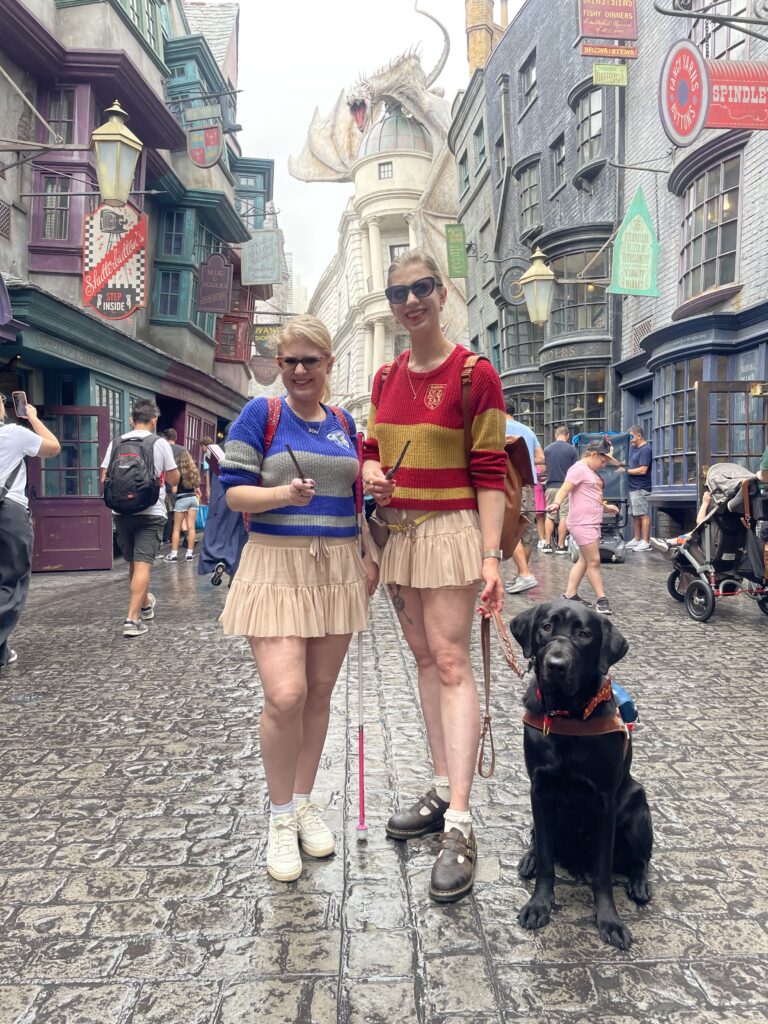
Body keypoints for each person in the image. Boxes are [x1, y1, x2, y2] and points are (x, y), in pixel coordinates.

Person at [362, 249, 506, 904]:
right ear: (389, 305)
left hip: (450, 531)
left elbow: (491, 473)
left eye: (422, 288)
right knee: (424, 659)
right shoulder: (385, 375)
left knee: (451, 662)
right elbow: (371, 449)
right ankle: (445, 788)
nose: (411, 301)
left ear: (442, 293)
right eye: (399, 293)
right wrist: (368, 471)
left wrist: (491, 556)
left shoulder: (475, 373)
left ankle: (462, 822)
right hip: (399, 535)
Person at [219, 314, 378, 884]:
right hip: (275, 564)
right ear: (279, 365)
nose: (301, 370)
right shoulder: (261, 414)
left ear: (329, 363)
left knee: (317, 695)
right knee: (285, 694)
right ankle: (280, 815)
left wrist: (368, 551)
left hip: (337, 566)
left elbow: (354, 497)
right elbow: (233, 493)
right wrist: (283, 492)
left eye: (312, 360)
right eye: (290, 361)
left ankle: (306, 800)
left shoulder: (343, 422)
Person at [100, 400, 178, 637]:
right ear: (154, 420)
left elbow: (105, 476)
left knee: (134, 565)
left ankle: (144, 605)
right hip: (151, 512)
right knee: (143, 565)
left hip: (122, 512)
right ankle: (131, 620)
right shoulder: (159, 443)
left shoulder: (116, 442)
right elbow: (174, 479)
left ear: (132, 419)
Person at [0, 394, 60, 669]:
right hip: (8, 512)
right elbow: (53, 447)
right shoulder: (12, 433)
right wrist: (33, 417)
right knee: (11, 581)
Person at [548, 437, 621, 615]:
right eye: (603, 461)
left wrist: (605, 507)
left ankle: (570, 595)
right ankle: (602, 600)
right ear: (593, 454)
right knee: (594, 560)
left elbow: (590, 495)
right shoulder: (578, 470)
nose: (604, 465)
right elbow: (564, 490)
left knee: (584, 559)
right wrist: (557, 504)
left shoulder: (589, 471)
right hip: (582, 522)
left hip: (590, 521)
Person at [504, 401, 545, 595]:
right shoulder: (528, 430)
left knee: (510, 529)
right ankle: (522, 576)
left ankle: (525, 573)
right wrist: (526, 457)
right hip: (530, 483)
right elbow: (541, 457)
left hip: (511, 483)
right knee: (526, 530)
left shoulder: (497, 427)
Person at [542, 425, 578, 554]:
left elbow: (544, 468)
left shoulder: (547, 449)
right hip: (565, 488)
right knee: (564, 516)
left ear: (555, 435)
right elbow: (576, 471)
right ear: (568, 436)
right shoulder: (572, 450)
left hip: (551, 486)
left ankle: (547, 544)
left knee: (550, 515)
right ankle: (561, 545)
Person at [165, 449, 201, 562]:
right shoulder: (193, 471)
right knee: (191, 528)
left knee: (176, 528)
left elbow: (175, 490)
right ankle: (189, 554)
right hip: (193, 498)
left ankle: (174, 555)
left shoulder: (178, 472)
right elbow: (196, 486)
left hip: (181, 499)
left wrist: (170, 485)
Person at [625, 425, 653, 552]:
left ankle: (645, 541)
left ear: (639, 436)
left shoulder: (645, 449)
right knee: (635, 514)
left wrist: (626, 471)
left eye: (631, 436)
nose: (630, 439)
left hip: (641, 486)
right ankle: (636, 539)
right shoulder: (633, 448)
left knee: (643, 514)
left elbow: (643, 470)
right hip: (632, 486)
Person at [162, 428, 188, 544]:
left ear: (166, 438)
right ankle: (185, 533)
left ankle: (166, 536)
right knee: (181, 510)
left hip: (165, 483)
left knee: (166, 511)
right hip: (180, 484)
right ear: (176, 438)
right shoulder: (183, 450)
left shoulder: (163, 448)